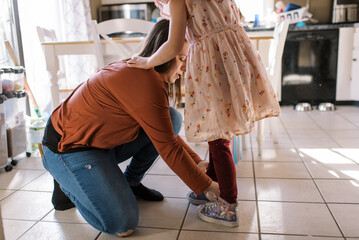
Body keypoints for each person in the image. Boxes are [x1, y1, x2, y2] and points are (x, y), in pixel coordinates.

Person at [41, 19, 219, 237]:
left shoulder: (150, 75)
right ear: (162, 52)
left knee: (172, 117)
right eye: (181, 59)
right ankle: (64, 181)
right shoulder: (143, 80)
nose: (185, 67)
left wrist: (198, 162)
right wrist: (208, 186)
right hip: (68, 147)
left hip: (101, 142)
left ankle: (130, 183)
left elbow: (162, 132)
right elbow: (168, 147)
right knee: (122, 224)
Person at [128, 0, 281, 228]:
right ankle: (212, 187)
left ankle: (228, 205)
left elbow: (174, 43)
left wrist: (148, 60)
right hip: (235, 60)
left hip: (213, 64)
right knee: (216, 130)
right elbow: (236, 16)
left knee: (218, 139)